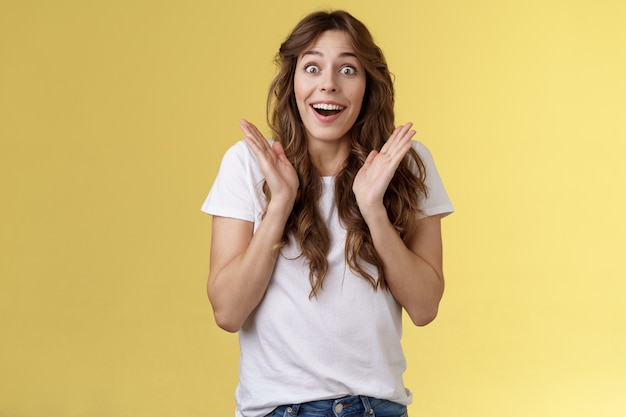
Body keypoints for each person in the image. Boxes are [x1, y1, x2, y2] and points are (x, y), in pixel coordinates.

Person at [202, 10, 453, 417]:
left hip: (377, 408)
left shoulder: (404, 164)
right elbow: (227, 312)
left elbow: (425, 307)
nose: (329, 84)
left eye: (348, 69)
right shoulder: (248, 164)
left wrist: (373, 210)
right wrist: (280, 205)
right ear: (292, 82)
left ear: (368, 85)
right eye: (312, 67)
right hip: (280, 410)